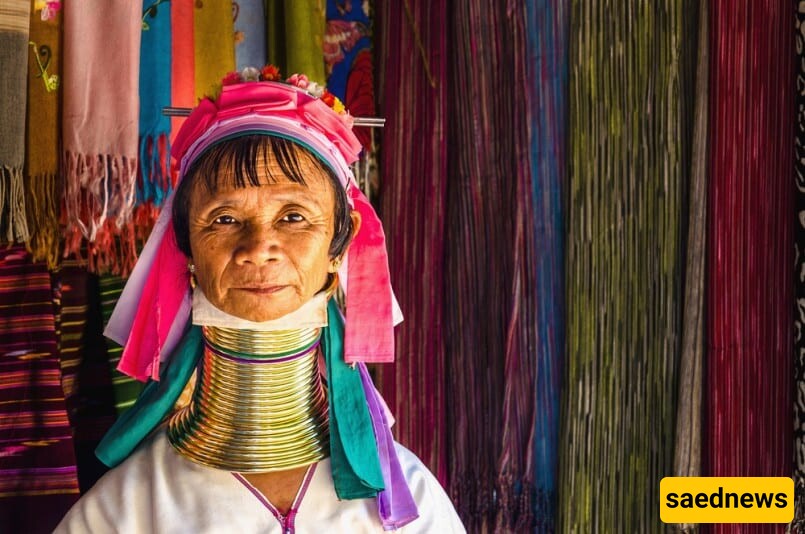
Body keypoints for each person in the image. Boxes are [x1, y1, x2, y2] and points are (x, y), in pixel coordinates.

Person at [55, 68, 464, 533]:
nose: (258, 246)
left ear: (340, 243)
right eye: (225, 218)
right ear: (187, 248)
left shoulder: (412, 502)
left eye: (293, 216)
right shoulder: (125, 512)